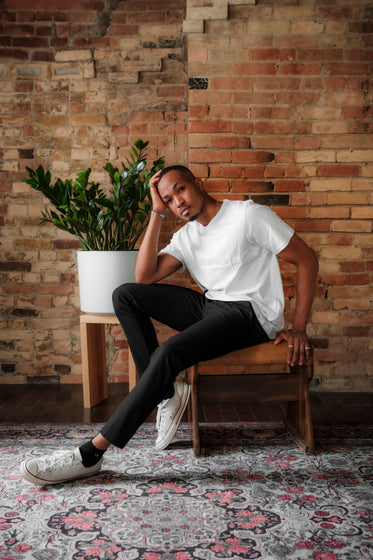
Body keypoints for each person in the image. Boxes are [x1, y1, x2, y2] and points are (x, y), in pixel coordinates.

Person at [20, 165, 319, 486]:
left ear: (198, 184)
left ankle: (90, 453)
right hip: (212, 307)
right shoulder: (187, 235)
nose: (178, 201)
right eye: (168, 199)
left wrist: (298, 327)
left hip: (251, 313)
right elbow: (144, 276)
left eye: (180, 189)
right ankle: (167, 392)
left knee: (169, 352)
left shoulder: (248, 215)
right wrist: (156, 213)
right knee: (126, 295)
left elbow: (307, 259)